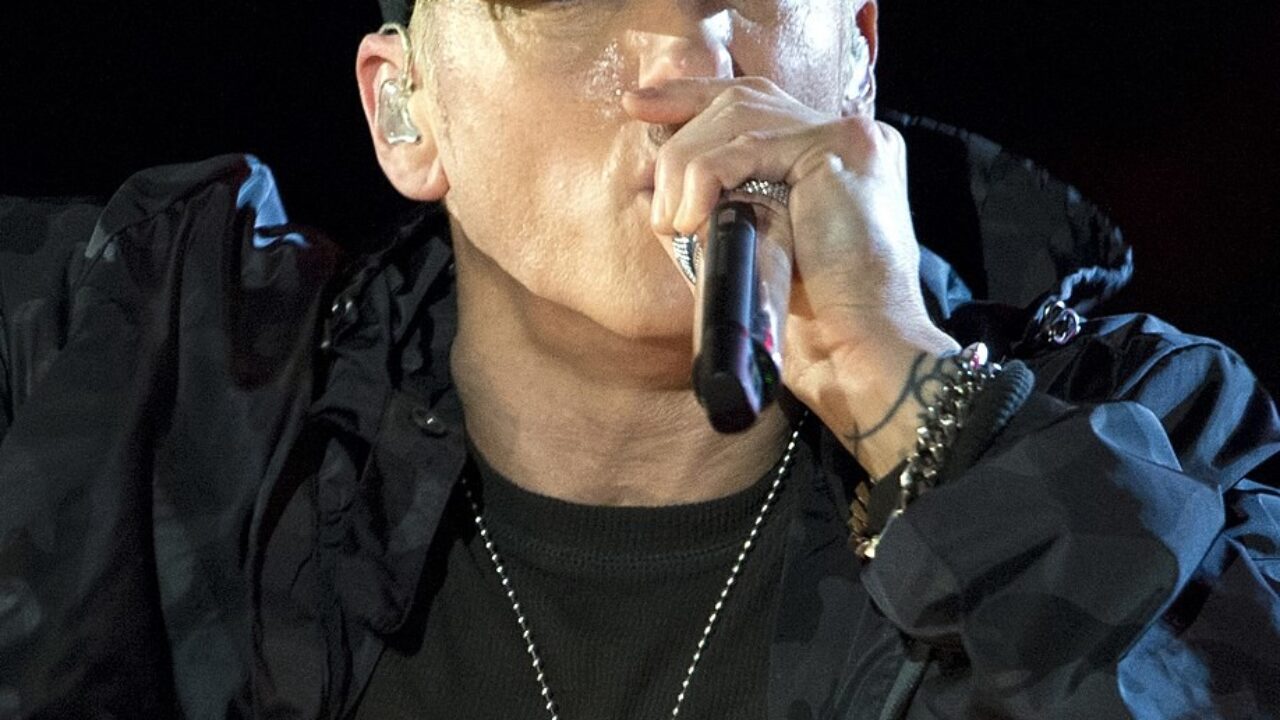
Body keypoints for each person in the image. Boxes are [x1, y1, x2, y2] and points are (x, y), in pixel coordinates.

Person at [1, 0, 1278, 717]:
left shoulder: (1155, 447)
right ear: (405, 109)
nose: (683, 55)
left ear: (857, 59)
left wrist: (915, 395)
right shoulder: (142, 383)